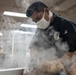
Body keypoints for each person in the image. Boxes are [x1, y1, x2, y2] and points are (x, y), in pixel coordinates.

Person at [26, 1, 76, 68]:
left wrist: (55, 63)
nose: (38, 22)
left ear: (46, 10)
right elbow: (33, 48)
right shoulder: (40, 29)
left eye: (39, 18)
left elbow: (72, 52)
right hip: (52, 66)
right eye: (35, 21)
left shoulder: (65, 25)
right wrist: (34, 62)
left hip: (69, 65)